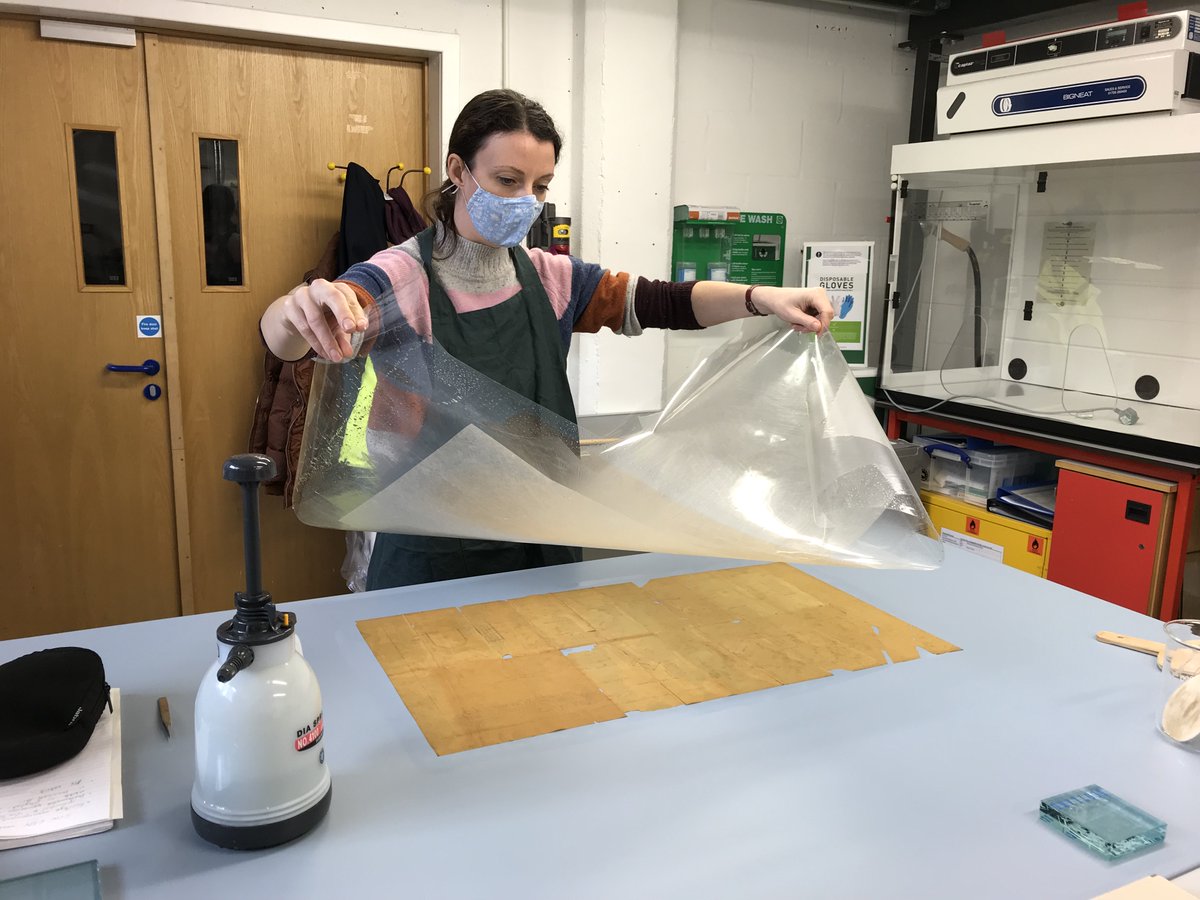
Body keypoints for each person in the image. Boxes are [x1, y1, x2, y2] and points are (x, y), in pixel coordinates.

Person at [259, 88, 833, 590]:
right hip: (432, 546)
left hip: (540, 535)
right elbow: (299, 333)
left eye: (540, 185)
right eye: (507, 181)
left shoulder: (553, 278)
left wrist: (762, 298)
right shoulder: (398, 277)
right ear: (458, 171)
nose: (525, 202)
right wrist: (293, 312)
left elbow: (663, 301)